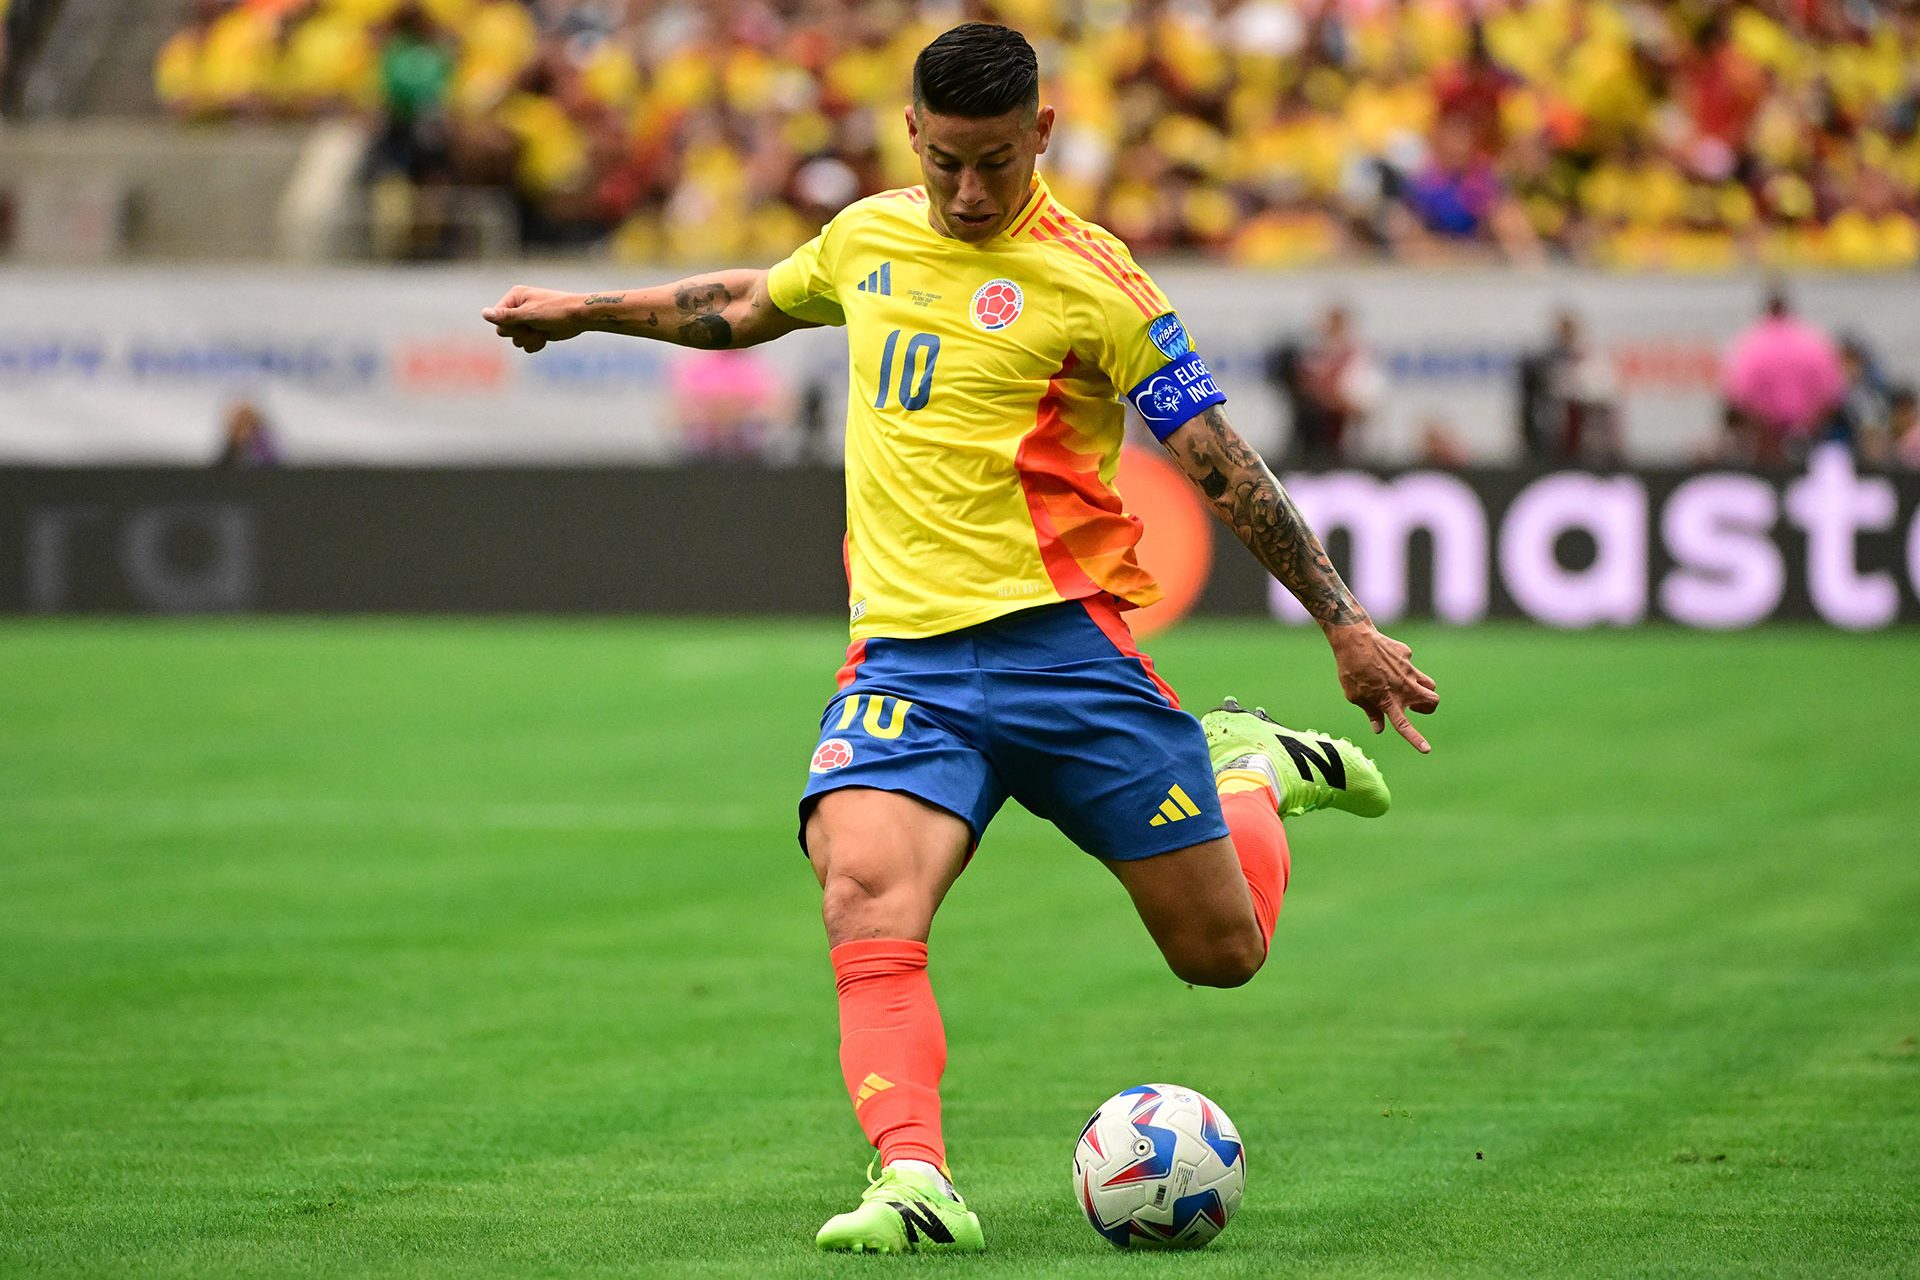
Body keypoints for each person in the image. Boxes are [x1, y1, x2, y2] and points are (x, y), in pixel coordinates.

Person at [482, 23, 1437, 1255]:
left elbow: (1220, 462)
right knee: (863, 890)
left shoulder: (1099, 280)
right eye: (944, 163)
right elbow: (740, 302)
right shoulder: (867, 236)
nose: (969, 192)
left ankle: (1245, 765)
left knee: (1222, 955)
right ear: (911, 133)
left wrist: (1342, 621)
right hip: (905, 665)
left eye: (994, 161)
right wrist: (586, 310)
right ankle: (915, 1179)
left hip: (1068, 655)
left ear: (1042, 131)